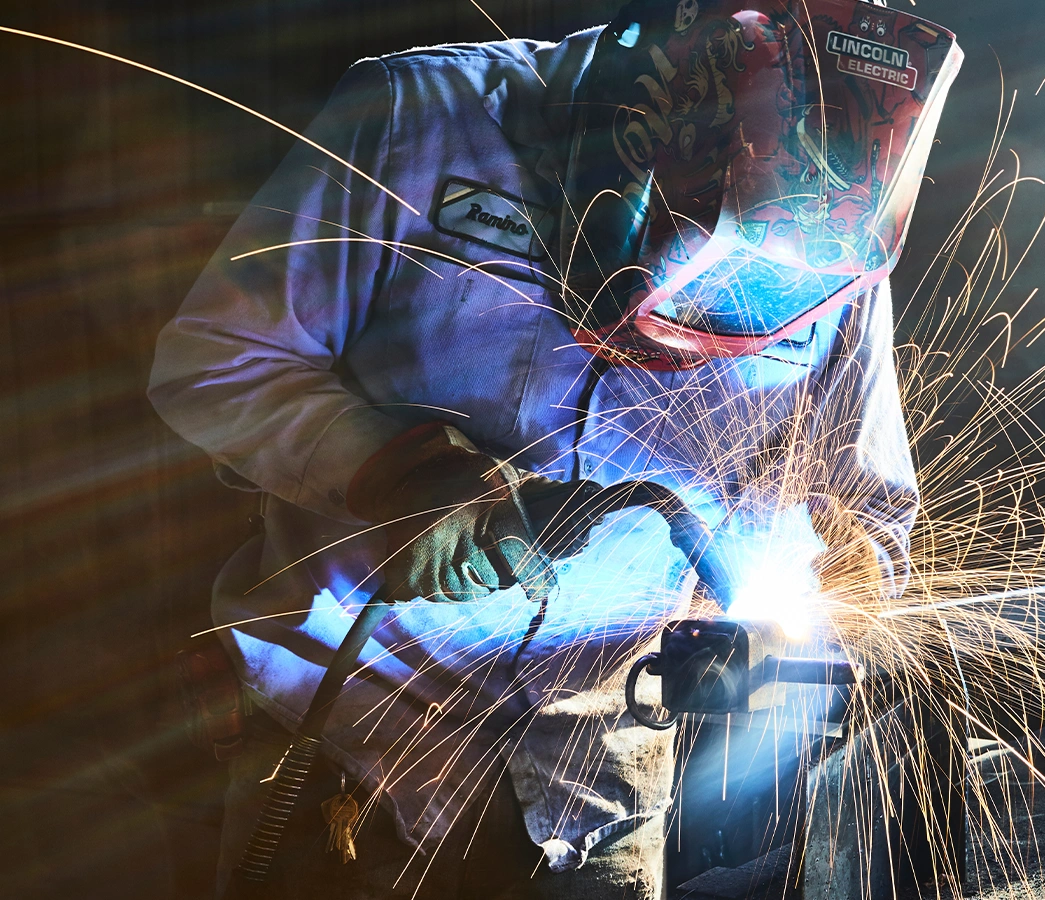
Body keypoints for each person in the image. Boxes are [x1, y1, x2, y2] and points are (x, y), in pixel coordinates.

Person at [149, 1, 960, 897]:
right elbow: (214, 361)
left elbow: (867, 515)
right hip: (349, 743)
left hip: (599, 788)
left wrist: (792, 616)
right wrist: (402, 470)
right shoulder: (422, 115)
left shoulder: (832, 250)